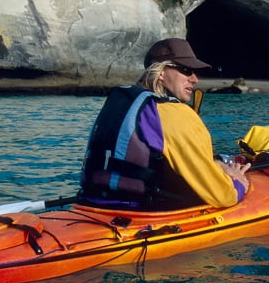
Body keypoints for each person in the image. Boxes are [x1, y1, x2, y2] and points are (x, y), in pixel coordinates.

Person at [79, 38, 251, 210]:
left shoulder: (120, 103)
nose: (194, 79)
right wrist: (238, 183)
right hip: (145, 211)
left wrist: (218, 166)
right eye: (186, 70)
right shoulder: (174, 114)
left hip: (93, 203)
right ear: (161, 73)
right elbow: (223, 196)